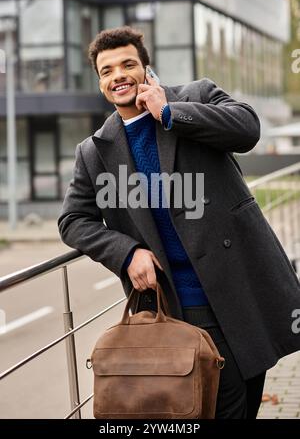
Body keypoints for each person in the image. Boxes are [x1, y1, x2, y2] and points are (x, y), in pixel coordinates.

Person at [58, 26, 300, 419]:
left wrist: (169, 112)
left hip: (240, 287)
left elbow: (247, 129)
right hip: (179, 305)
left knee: (247, 391)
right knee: (210, 404)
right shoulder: (94, 151)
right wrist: (126, 252)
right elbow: (73, 220)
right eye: (107, 70)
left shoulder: (195, 97)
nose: (118, 75)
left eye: (127, 64)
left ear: (146, 69)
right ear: (100, 82)